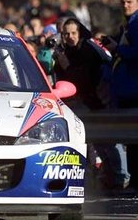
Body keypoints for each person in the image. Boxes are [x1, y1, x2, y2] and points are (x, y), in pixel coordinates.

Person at [54, 17, 130, 191]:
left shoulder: (88, 49)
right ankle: (111, 176)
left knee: (108, 141)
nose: (70, 37)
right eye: (66, 34)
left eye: (74, 33)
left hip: (99, 100)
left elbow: (84, 78)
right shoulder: (65, 51)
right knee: (97, 142)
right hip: (82, 102)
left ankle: (120, 177)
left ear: (79, 32)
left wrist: (67, 65)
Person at [104, 0, 138, 190]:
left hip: (134, 90)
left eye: (130, 2)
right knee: (132, 141)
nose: (125, 5)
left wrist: (118, 49)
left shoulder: (136, 24)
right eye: (123, 2)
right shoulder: (128, 24)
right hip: (127, 89)